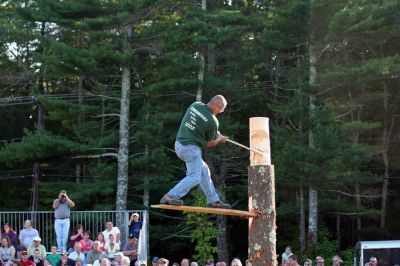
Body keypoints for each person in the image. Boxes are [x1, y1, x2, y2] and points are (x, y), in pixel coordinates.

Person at [160, 95, 231, 209]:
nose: (220, 112)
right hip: (191, 149)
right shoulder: (213, 121)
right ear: (218, 106)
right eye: (221, 110)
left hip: (179, 145)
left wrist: (216, 133)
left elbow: (201, 122)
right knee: (195, 177)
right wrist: (220, 140)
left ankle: (213, 201)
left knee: (204, 169)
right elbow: (209, 143)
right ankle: (170, 196)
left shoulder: (195, 105)